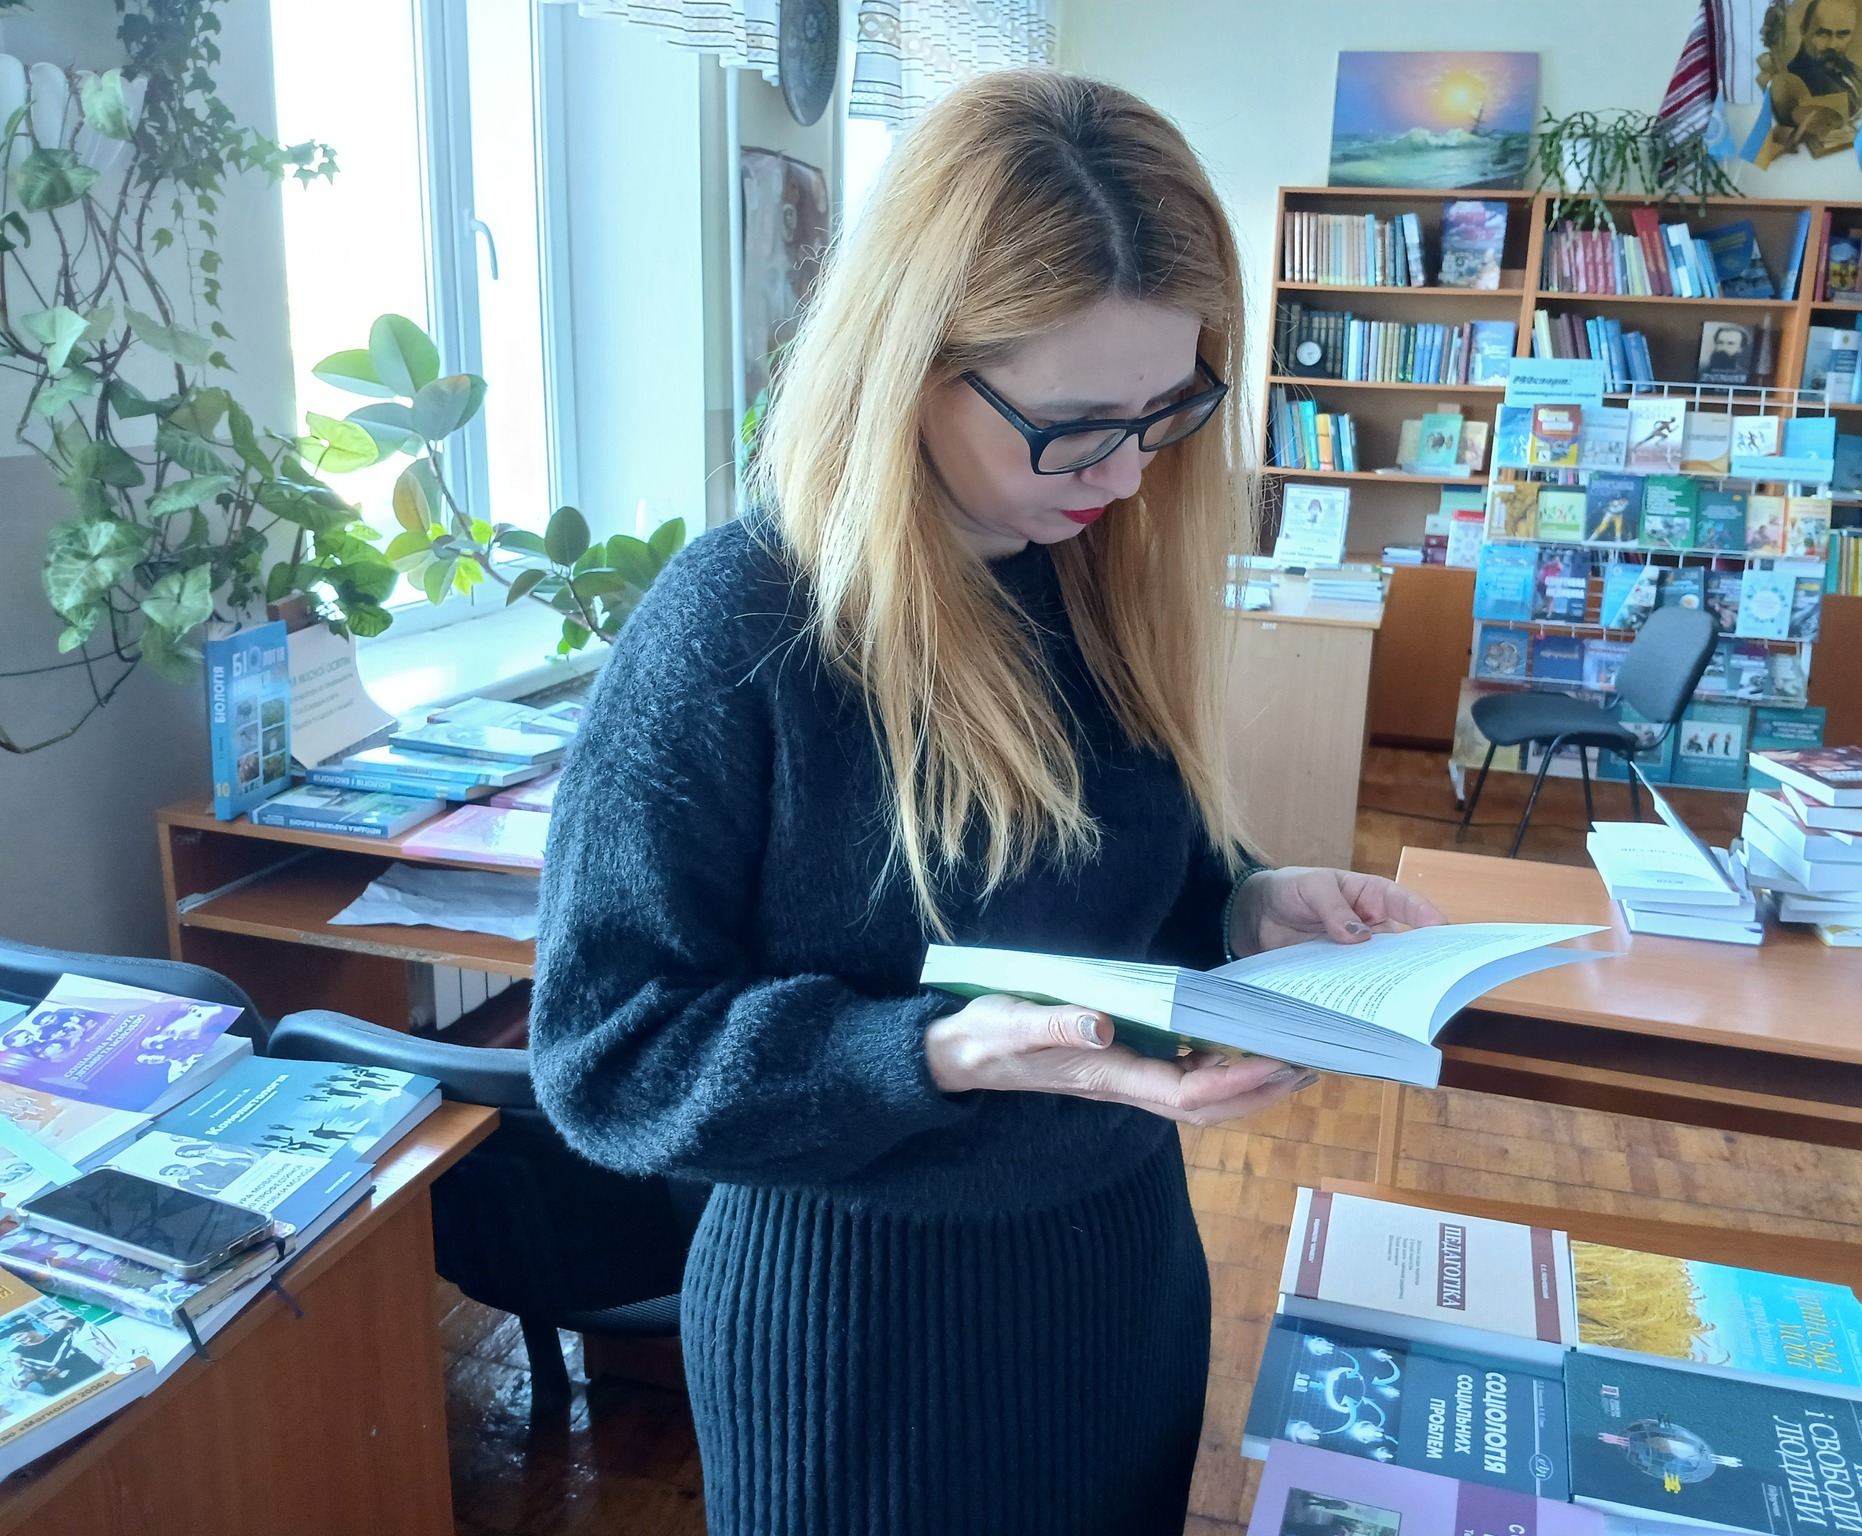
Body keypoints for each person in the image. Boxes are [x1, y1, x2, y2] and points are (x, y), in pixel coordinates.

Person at [530, 68, 1446, 1536]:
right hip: (862, 1336)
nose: (1130, 474)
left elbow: (1123, 881)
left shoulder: (1092, 574)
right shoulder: (741, 625)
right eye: (1076, 422)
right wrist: (936, 1053)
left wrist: (1246, 901)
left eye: (1167, 410)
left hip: (1118, 1282)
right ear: (908, 363)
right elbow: (607, 1053)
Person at [1765, 0, 1862, 158]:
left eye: (1843, 34)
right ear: (1804, 30)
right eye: (1823, 33)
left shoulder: (1857, 74)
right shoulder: (1795, 81)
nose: (1832, 44)